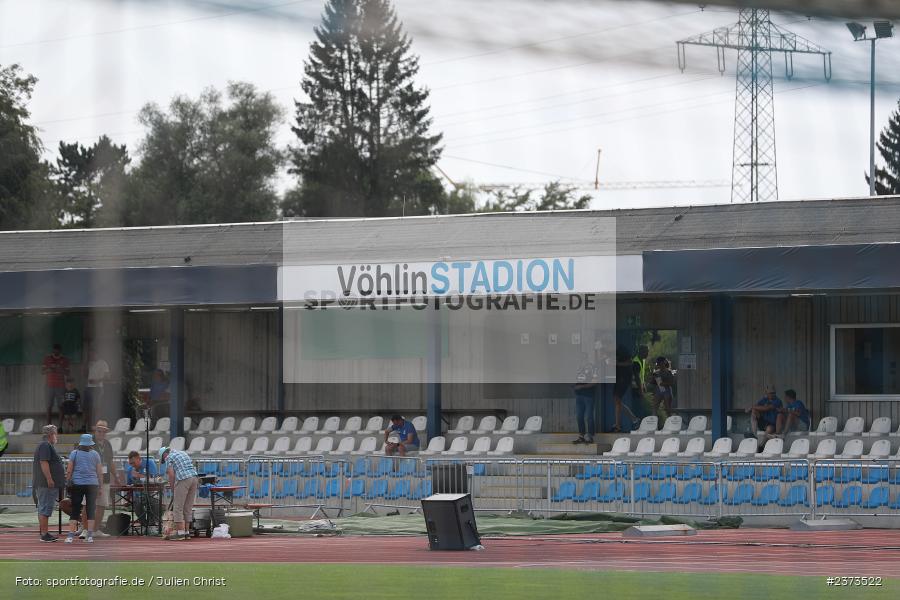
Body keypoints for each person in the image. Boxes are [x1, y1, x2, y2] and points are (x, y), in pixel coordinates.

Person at [64, 434, 103, 543]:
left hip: (77, 484)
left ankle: (71, 535)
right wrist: (100, 487)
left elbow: (69, 470)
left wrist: (68, 482)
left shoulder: (74, 453)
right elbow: (99, 472)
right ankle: (90, 535)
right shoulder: (95, 454)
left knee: (75, 509)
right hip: (93, 484)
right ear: (90, 444)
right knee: (91, 509)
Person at [85, 419, 120, 538]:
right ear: (95, 431)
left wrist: (116, 476)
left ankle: (95, 530)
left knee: (102, 505)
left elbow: (110, 462)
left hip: (104, 479)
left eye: (103, 432)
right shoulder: (88, 443)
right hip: (90, 478)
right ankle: (86, 529)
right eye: (99, 431)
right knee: (88, 504)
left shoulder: (108, 444)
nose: (101, 433)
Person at [159, 445, 199, 541]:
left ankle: (180, 533)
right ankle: (187, 533)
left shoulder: (169, 457)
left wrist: (173, 489)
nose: (164, 460)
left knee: (178, 507)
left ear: (164, 454)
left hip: (184, 479)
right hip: (194, 478)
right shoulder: (182, 452)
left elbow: (171, 475)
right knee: (187, 507)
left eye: (163, 458)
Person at [33, 424, 65, 542]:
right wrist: (49, 479)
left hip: (46, 483)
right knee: (45, 507)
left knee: (45, 507)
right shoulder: (45, 445)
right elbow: (44, 462)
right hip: (46, 484)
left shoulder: (45, 445)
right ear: (51, 434)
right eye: (55, 434)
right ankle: (45, 534)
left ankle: (44, 533)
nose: (56, 436)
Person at [125, 450, 159, 526]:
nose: (132, 465)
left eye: (133, 463)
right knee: (136, 503)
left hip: (152, 493)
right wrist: (127, 499)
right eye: (130, 463)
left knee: (153, 501)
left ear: (139, 459)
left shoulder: (149, 463)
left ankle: (154, 523)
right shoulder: (130, 469)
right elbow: (128, 485)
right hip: (138, 495)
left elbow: (153, 479)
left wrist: (138, 476)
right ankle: (144, 524)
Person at [611, 346, 639, 433]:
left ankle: (618, 425)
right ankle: (633, 418)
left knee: (617, 400)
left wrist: (617, 364)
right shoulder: (610, 354)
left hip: (624, 378)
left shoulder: (622, 351)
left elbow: (630, 362)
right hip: (619, 378)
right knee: (617, 401)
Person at [572, 353, 598, 443]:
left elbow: (595, 382)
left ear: (586, 358)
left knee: (589, 416)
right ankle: (581, 435)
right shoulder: (578, 368)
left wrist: (582, 387)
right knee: (579, 416)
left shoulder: (592, 367)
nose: (581, 360)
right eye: (580, 358)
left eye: (583, 358)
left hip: (589, 395)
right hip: (579, 396)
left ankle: (590, 435)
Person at [42, 343, 70, 427]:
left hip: (60, 386)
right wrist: (50, 369)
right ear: (53, 350)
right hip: (49, 386)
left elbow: (68, 373)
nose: (56, 351)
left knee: (61, 406)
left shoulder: (65, 359)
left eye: (57, 350)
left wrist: (60, 369)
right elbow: (42, 371)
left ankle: (60, 427)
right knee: (48, 406)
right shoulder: (47, 358)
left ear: (60, 351)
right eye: (54, 350)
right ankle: (48, 427)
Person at [83, 348, 109, 432]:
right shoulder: (89, 363)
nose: (91, 356)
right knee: (88, 407)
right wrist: (86, 366)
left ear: (96, 354)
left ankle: (97, 426)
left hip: (98, 387)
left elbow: (107, 376)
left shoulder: (103, 363)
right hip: (89, 387)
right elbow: (85, 375)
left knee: (97, 407)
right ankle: (88, 426)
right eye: (90, 354)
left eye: (92, 354)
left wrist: (97, 380)